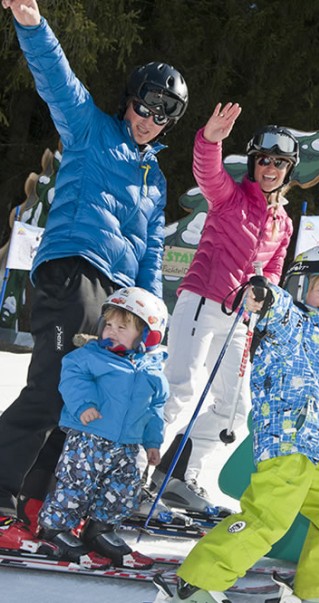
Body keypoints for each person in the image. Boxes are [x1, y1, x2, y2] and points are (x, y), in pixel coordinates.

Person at [0, 0, 188, 552]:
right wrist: (32, 24)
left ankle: (40, 501)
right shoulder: (91, 131)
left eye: (167, 114)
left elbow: (152, 250)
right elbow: (57, 81)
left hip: (121, 299)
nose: (153, 120)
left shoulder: (155, 181)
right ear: (131, 100)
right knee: (53, 385)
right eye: (150, 105)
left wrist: (151, 318)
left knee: (88, 399)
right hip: (75, 269)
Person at [157, 246, 319, 603]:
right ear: (300, 288)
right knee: (268, 517)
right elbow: (274, 307)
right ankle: (197, 582)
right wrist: (263, 296)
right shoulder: (291, 324)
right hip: (286, 447)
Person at [150, 103, 297, 513]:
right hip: (201, 302)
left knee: (234, 408)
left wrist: (264, 293)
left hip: (238, 320)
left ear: (288, 170)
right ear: (253, 163)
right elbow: (207, 173)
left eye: (279, 162)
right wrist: (210, 138)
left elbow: (273, 271)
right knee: (178, 389)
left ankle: (177, 473)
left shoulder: (281, 223)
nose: (270, 168)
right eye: (263, 160)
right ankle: (129, 474)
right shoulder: (230, 198)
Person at [37, 287, 169, 569]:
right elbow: (72, 376)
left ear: (148, 335)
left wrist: (153, 442)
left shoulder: (153, 372)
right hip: (89, 438)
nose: (112, 331)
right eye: (108, 324)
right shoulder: (90, 357)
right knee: (76, 485)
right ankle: (55, 529)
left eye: (123, 327)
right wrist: (84, 404)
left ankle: (100, 529)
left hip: (127, 446)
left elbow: (155, 410)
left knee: (123, 490)